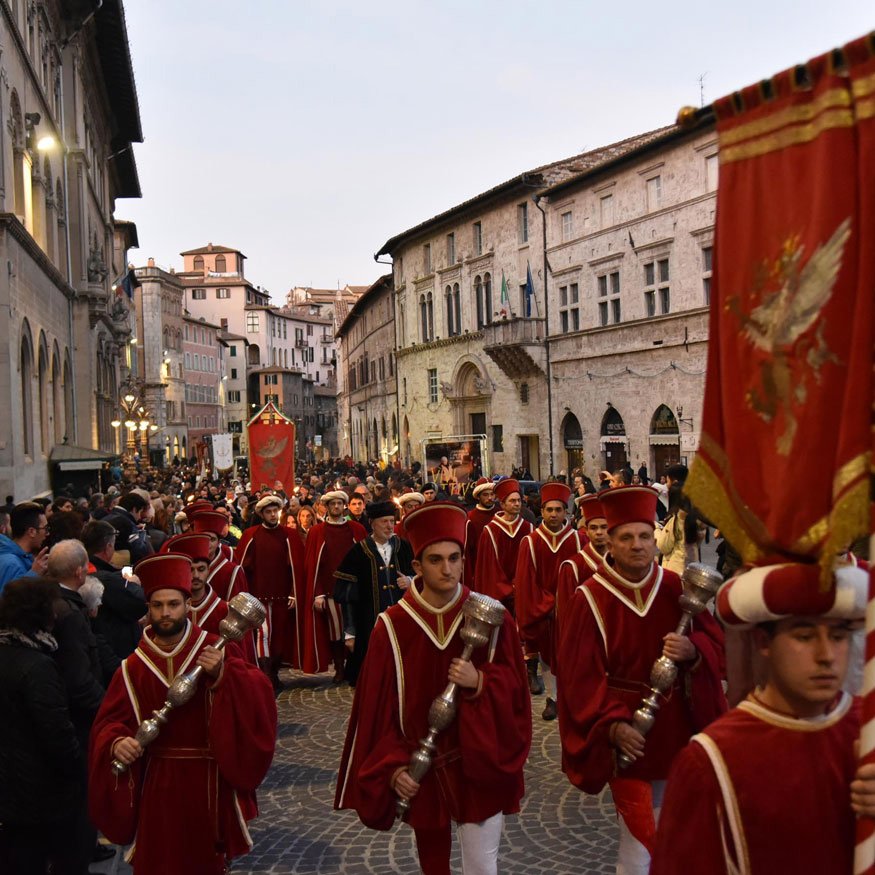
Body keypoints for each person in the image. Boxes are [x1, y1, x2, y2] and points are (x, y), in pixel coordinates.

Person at [335, 502, 532, 875]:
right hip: (421, 768)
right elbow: (378, 712)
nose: (447, 569)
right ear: (417, 566)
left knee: (481, 867)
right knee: (433, 867)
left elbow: (517, 694)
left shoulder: (492, 619)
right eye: (436, 559)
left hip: (478, 761)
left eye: (454, 558)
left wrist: (481, 683)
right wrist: (393, 769)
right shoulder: (391, 627)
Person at [652, 562, 875, 874]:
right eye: (805, 636)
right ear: (763, 643)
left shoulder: (867, 732)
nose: (827, 655)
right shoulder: (710, 761)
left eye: (838, 636)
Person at [557, 485, 726, 875]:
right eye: (626, 537)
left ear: (656, 539)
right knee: (637, 845)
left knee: (673, 829)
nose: (637, 545)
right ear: (610, 544)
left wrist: (694, 651)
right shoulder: (590, 598)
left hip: (676, 728)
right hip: (626, 733)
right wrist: (612, 725)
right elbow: (577, 677)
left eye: (645, 536)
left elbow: (717, 647)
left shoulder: (675, 589)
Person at [88, 553, 277, 874]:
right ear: (147, 610)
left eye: (173, 604)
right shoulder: (133, 667)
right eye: (157, 605)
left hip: (209, 780)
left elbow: (259, 694)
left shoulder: (214, 649)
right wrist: (117, 742)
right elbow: (108, 723)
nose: (165, 612)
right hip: (158, 782)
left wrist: (223, 678)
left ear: (187, 605)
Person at [0, 577, 86, 874]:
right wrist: (77, 767)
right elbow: (56, 732)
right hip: (41, 789)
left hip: (10, 787)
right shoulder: (38, 666)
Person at [515, 482, 581, 719]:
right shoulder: (531, 542)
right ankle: (552, 699)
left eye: (558, 509)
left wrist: (569, 606)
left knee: (572, 655)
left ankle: (571, 697)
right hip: (544, 613)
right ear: (542, 512)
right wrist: (548, 606)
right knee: (547, 657)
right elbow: (525, 582)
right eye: (549, 510)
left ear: (566, 512)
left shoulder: (578, 540)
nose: (554, 514)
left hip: (572, 611)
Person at [332, 500, 414, 686]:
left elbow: (423, 577)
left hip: (402, 623)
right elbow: (348, 598)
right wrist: (350, 632)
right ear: (373, 523)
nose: (389, 526)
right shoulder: (358, 552)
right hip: (368, 625)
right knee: (372, 679)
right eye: (384, 521)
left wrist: (411, 581)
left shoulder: (404, 548)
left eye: (392, 521)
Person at [236, 494, 306, 688]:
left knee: (280, 633)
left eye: (276, 511)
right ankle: (266, 673)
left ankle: (274, 670)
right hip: (259, 593)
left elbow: (296, 566)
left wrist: (293, 591)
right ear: (262, 514)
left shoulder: (289, 535)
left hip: (283, 593)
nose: (273, 515)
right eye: (269, 512)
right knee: (263, 632)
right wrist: (245, 594)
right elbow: (241, 566)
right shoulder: (252, 534)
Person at [302, 490, 366, 682]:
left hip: (355, 589)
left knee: (357, 628)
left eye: (339, 503)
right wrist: (318, 593)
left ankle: (355, 667)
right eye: (333, 504)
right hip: (330, 590)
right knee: (336, 632)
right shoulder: (317, 532)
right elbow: (312, 565)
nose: (336, 507)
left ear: (344, 505)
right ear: (327, 507)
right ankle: (339, 667)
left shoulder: (356, 529)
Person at [83, 519, 147, 660]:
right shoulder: (108, 580)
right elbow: (139, 605)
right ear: (109, 546)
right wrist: (133, 584)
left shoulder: (82, 569)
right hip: (115, 649)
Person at [473, 478, 533, 616]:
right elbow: (488, 569)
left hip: (523, 593)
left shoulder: (528, 528)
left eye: (519, 500)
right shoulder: (490, 531)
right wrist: (508, 589)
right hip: (498, 597)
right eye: (512, 501)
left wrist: (520, 585)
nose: (517, 504)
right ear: (502, 504)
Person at [556, 494, 610, 624]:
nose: (599, 532)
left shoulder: (621, 565)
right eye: (593, 527)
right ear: (586, 530)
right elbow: (566, 617)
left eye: (604, 527)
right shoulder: (572, 568)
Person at [191, 510, 248, 600]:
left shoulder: (233, 572)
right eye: (203, 538)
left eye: (212, 539)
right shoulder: (186, 567)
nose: (208, 543)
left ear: (218, 542)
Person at [0, 501, 50, 592]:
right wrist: (34, 574)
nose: (47, 533)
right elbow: (8, 602)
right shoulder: (12, 564)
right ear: (31, 532)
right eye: (45, 529)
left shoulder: (21, 558)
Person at [463, 479, 496, 590]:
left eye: (492, 494)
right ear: (478, 496)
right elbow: (468, 552)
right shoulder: (470, 518)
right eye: (485, 495)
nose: (490, 498)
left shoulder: (500, 514)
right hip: (481, 571)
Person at [103, 492, 154, 564]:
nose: (139, 517)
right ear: (134, 509)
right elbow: (140, 551)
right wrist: (141, 534)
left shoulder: (106, 518)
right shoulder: (127, 524)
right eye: (140, 512)